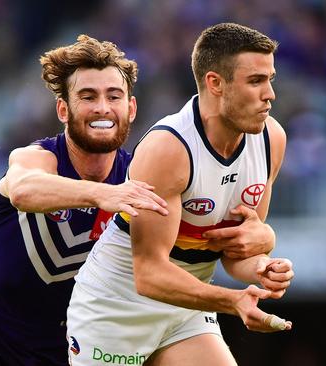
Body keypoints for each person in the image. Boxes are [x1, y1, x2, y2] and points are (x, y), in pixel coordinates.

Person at [0, 34, 275, 366]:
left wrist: (260, 240)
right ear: (63, 110)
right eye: (88, 97)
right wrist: (105, 193)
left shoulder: (146, 171)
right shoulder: (39, 157)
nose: (103, 108)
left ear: (132, 108)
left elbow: (187, 244)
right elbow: (23, 189)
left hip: (84, 337)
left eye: (114, 96)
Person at [66, 23, 293, 366]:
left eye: (270, 79)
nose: (270, 94)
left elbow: (236, 251)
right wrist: (232, 301)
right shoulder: (169, 149)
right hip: (116, 309)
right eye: (256, 81)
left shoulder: (270, 139)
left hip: (187, 308)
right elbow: (150, 274)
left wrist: (263, 266)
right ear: (215, 83)